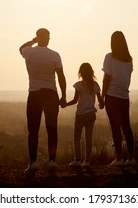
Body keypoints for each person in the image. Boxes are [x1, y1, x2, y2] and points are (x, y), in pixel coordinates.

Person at [19, 28, 67, 172]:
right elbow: (61, 77)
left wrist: (33, 42)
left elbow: (21, 47)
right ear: (48, 38)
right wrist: (63, 96)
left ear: (37, 37)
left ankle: (33, 163)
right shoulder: (54, 55)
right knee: (52, 129)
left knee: (33, 131)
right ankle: (52, 161)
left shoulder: (29, 52)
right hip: (50, 94)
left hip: (34, 94)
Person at [102, 31, 137, 167]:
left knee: (115, 127)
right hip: (124, 96)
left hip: (112, 96)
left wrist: (102, 95)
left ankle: (119, 158)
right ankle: (132, 157)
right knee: (126, 126)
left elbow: (107, 78)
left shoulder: (109, 57)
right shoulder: (129, 59)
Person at [62, 63, 104, 168]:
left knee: (77, 137)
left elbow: (75, 100)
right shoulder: (95, 85)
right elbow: (100, 101)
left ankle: (77, 160)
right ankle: (87, 161)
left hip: (81, 114)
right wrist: (102, 104)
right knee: (88, 137)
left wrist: (65, 104)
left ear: (80, 73)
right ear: (91, 72)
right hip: (91, 114)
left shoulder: (79, 85)